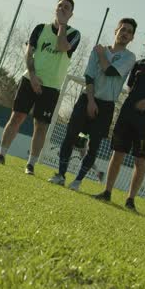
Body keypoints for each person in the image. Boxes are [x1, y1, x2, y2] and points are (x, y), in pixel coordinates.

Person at [92, 30, 145, 210]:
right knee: (117, 153)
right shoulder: (138, 65)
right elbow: (130, 88)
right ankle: (107, 191)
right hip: (126, 117)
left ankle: (130, 199)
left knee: (140, 161)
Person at [0, 0, 80, 174]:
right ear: (55, 9)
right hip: (29, 80)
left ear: (71, 14)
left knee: (40, 125)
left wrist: (62, 25)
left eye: (66, 8)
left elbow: (62, 47)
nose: (62, 9)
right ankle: (1, 155)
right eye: (60, 6)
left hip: (51, 87)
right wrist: (32, 76)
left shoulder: (74, 34)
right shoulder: (40, 29)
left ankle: (30, 164)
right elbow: (28, 53)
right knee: (16, 117)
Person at [50, 18, 137, 190]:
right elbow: (89, 76)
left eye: (129, 31)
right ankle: (60, 175)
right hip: (87, 98)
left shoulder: (129, 57)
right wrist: (90, 101)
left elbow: (110, 71)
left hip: (106, 105)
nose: (125, 33)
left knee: (94, 144)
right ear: (116, 30)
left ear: (132, 37)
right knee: (70, 136)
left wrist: (102, 55)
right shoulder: (97, 49)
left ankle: (78, 181)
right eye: (123, 29)